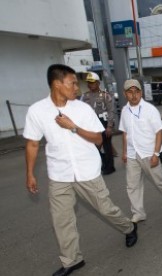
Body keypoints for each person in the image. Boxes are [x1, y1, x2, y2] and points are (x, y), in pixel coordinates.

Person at [24, 64, 137, 276]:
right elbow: (32, 144)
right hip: (59, 175)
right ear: (57, 84)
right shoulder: (37, 111)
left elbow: (98, 139)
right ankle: (72, 260)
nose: (77, 87)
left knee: (105, 209)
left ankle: (129, 228)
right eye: (73, 82)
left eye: (77, 83)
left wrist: (73, 127)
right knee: (61, 220)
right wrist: (29, 173)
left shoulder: (82, 109)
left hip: (87, 171)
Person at [119, 79, 162, 223]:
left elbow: (159, 132)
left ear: (141, 93)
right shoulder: (124, 111)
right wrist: (124, 152)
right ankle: (138, 212)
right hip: (133, 154)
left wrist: (156, 154)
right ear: (124, 94)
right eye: (130, 92)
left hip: (149, 153)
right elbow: (125, 133)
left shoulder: (149, 109)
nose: (134, 95)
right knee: (132, 185)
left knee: (160, 182)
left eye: (137, 91)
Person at [81, 71, 116, 175]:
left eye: (92, 82)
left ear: (98, 83)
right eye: (89, 82)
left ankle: (109, 167)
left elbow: (111, 111)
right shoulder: (84, 96)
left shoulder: (105, 96)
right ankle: (103, 163)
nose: (90, 85)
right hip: (91, 124)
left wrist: (109, 126)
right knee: (94, 146)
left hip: (103, 122)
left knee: (106, 145)